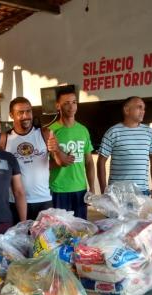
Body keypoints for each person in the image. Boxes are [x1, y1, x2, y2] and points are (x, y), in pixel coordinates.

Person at [1, 96, 72, 222]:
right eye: (20, 113)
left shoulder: (44, 134)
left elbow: (61, 162)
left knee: (44, 240)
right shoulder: (4, 139)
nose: (26, 116)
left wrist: (56, 150)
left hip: (43, 199)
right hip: (14, 201)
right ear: (11, 115)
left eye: (28, 111)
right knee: (19, 240)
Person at [97, 96, 152, 198]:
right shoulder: (112, 132)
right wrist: (104, 192)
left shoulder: (149, 132)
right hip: (117, 194)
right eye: (139, 107)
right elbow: (101, 162)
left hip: (142, 193)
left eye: (144, 108)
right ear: (127, 110)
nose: (143, 111)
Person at [49, 88, 96, 219]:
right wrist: (61, 161)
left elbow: (89, 162)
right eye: (66, 103)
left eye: (74, 102)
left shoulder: (83, 130)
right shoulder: (50, 131)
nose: (71, 106)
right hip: (58, 189)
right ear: (58, 105)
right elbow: (44, 165)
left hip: (80, 190)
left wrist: (91, 187)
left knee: (80, 231)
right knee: (60, 232)